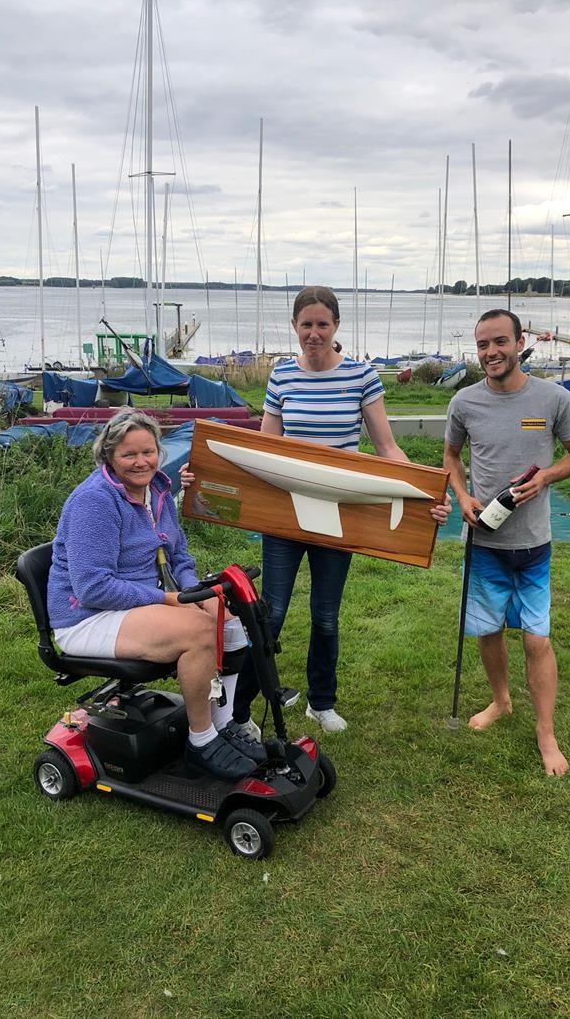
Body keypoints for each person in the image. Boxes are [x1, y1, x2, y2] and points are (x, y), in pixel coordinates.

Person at [225, 285, 451, 735]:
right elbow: (264, 448)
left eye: (322, 324)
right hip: (286, 513)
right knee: (271, 613)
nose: (313, 333)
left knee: (326, 617)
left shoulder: (362, 377)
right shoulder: (282, 378)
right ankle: (242, 711)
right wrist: (209, 478)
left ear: (336, 327)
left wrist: (428, 492)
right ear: (294, 327)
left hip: (339, 514)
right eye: (305, 324)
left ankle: (320, 702)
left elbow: (387, 447)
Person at [47, 409, 265, 781]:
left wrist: (194, 588)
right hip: (86, 616)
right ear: (109, 457)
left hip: (136, 602)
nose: (140, 462)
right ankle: (201, 741)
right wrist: (167, 599)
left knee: (232, 616)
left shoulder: (159, 490)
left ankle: (223, 722)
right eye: (128, 455)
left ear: (159, 452)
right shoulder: (95, 502)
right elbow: (92, 586)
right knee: (196, 631)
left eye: (147, 452)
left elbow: (178, 554)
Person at [443, 309, 570, 776]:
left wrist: (545, 476)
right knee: (487, 630)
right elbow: (449, 455)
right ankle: (501, 701)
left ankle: (546, 734)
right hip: (483, 542)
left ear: (520, 342)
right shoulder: (464, 402)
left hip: (533, 545)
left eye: (500, 342)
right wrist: (462, 495)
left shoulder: (553, 397)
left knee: (536, 640)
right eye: (483, 344)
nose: (491, 352)